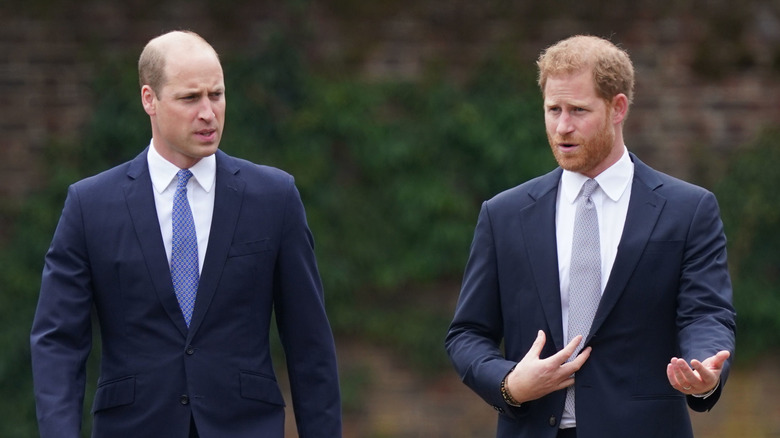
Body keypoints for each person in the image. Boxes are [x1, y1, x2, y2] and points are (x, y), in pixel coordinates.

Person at [30, 30, 342, 438]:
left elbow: (309, 343)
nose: (209, 113)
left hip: (245, 427)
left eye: (217, 94)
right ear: (149, 100)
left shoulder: (274, 197)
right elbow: (58, 342)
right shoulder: (90, 206)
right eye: (190, 98)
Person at [445, 35, 736, 438]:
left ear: (618, 108)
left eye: (578, 110)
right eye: (553, 110)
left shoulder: (688, 209)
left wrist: (705, 368)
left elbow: (706, 313)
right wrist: (509, 383)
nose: (562, 127)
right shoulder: (504, 214)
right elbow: (467, 334)